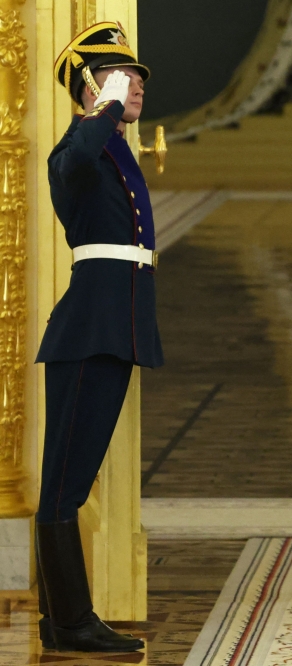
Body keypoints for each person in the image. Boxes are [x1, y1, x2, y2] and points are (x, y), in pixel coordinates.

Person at [36, 22, 163, 652]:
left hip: (114, 327)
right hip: (89, 332)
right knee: (64, 483)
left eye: (136, 75)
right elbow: (76, 156)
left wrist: (110, 107)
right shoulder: (77, 151)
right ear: (90, 86)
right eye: (121, 75)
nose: (136, 84)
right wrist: (105, 103)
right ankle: (70, 620)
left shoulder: (115, 150)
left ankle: (65, 619)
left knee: (71, 479)